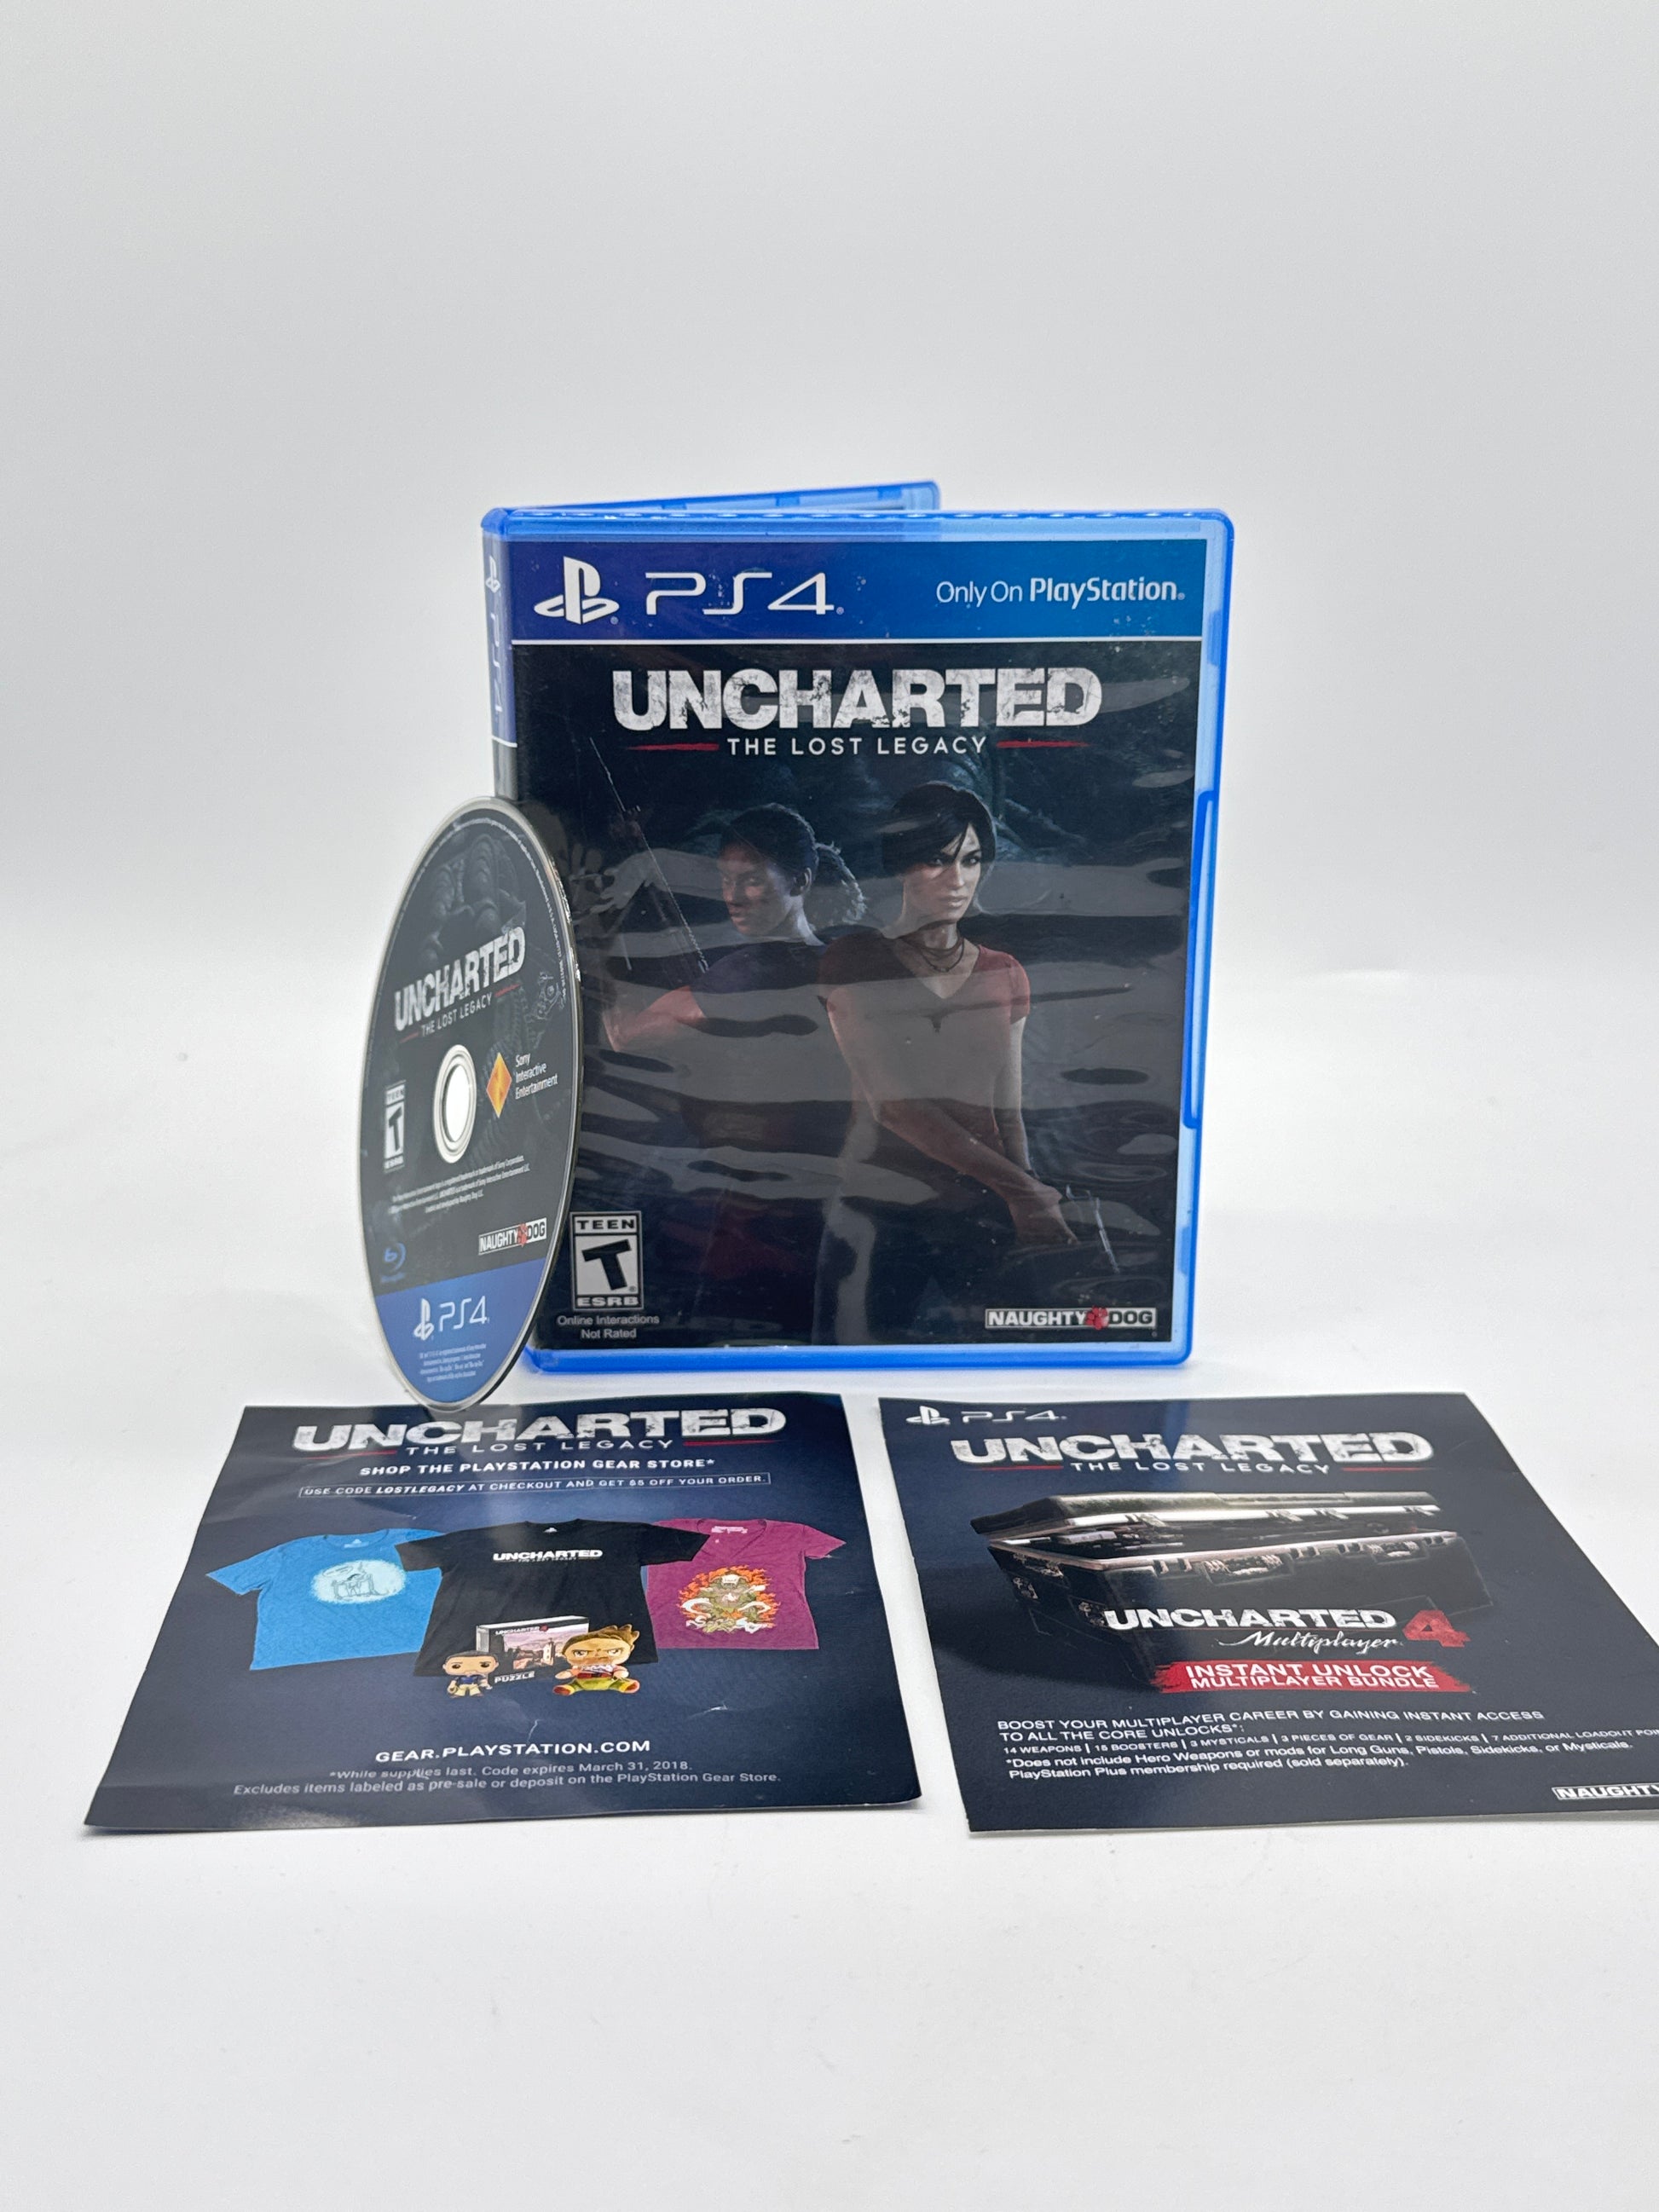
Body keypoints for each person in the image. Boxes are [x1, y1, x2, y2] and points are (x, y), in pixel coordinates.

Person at [814, 782, 1073, 1343]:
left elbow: (1008, 1110)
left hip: (983, 1208)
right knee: (845, 1375)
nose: (957, 878)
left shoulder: (1005, 971)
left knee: (1015, 1367)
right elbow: (894, 1105)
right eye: (937, 858)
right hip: (880, 1211)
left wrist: (1028, 1201)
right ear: (901, 864)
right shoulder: (853, 959)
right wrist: (1024, 1191)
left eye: (971, 859)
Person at [601, 805, 862, 1339]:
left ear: (801, 882)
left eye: (752, 880)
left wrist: (600, 951)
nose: (734, 896)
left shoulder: (746, 972)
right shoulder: (841, 962)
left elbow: (625, 1035)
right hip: (830, 1197)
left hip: (758, 1206)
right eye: (726, 879)